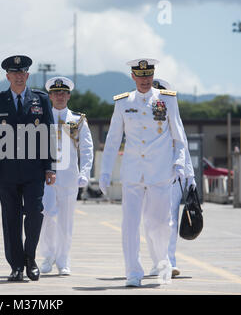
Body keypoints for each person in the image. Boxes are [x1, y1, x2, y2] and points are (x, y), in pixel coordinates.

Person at [99, 59, 188, 287]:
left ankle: (162, 261)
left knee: (159, 223)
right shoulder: (122, 103)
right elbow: (113, 141)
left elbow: (178, 136)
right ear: (133, 77)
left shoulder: (167, 100)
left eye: (149, 75)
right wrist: (105, 172)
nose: (146, 80)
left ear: (153, 75)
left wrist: (179, 163)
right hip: (132, 173)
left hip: (160, 172)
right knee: (129, 223)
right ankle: (133, 272)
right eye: (141, 76)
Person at [0, 55, 56, 281]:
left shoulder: (40, 100)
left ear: (27, 75)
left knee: (35, 213)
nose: (18, 77)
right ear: (7, 76)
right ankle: (15, 265)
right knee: (11, 218)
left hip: (34, 170)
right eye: (14, 73)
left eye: (22, 73)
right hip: (7, 171)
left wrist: (50, 166)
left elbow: (49, 134)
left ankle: (30, 258)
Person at [38, 76, 94, 276]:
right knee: (47, 216)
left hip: (69, 176)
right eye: (55, 93)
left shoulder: (78, 119)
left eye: (63, 93)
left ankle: (63, 259)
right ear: (50, 96)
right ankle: (48, 255)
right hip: (46, 177)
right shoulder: (42, 117)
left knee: (66, 220)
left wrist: (85, 173)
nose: (59, 96)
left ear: (68, 95)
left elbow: (87, 148)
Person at [153, 78, 196, 278]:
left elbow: (183, 147)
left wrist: (190, 176)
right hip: (151, 177)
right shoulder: (143, 119)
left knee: (169, 220)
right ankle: (158, 260)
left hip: (174, 178)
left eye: (162, 94)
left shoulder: (174, 118)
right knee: (152, 221)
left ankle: (168, 261)